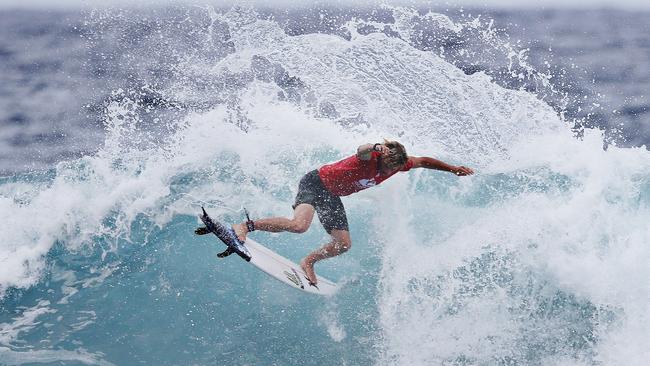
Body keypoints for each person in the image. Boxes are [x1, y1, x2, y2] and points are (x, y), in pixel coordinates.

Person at [232, 140, 474, 286]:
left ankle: (308, 261)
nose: (392, 170)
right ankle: (245, 227)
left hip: (331, 196)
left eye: (396, 167)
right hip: (315, 183)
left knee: (343, 244)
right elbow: (362, 149)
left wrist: (453, 169)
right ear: (383, 157)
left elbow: (422, 160)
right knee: (299, 225)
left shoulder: (399, 164)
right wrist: (376, 147)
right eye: (389, 165)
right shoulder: (368, 158)